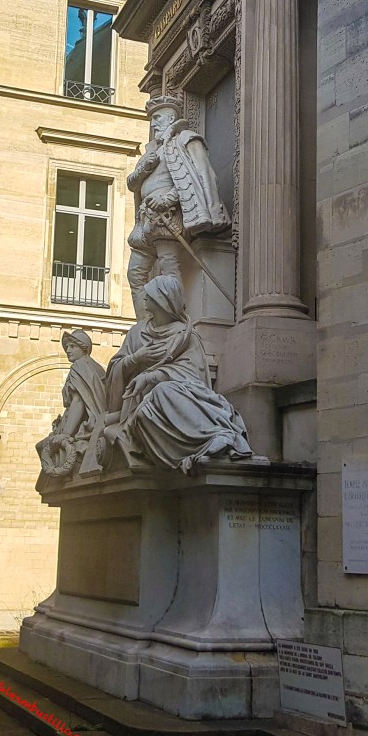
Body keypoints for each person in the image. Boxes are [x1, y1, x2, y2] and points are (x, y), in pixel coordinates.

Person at [104, 275, 252, 474]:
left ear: (162, 300)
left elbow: (193, 377)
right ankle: (202, 445)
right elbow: (115, 368)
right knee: (146, 411)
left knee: (163, 391)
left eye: (150, 295)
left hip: (179, 397)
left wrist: (150, 377)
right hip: (140, 405)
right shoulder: (137, 333)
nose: (144, 299)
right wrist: (136, 358)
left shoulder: (185, 335)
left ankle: (216, 437)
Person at [126, 95, 231, 320]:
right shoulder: (150, 152)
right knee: (135, 274)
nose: (153, 124)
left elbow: (197, 177)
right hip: (145, 220)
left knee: (168, 269)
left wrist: (168, 199)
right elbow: (132, 184)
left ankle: (176, 321)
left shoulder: (185, 140)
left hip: (168, 216)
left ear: (170, 117)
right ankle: (145, 326)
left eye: (156, 118)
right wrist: (144, 167)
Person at [37, 330, 106, 478]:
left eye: (72, 346)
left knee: (42, 446)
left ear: (84, 348)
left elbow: (79, 401)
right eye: (67, 346)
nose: (68, 350)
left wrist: (66, 434)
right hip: (91, 424)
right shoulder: (94, 367)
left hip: (84, 427)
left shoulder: (79, 366)